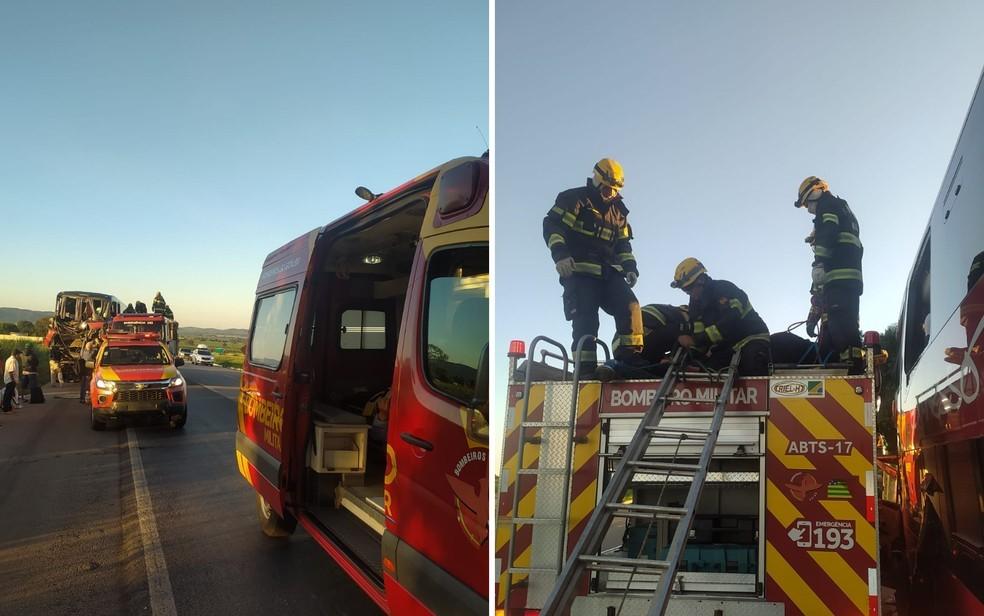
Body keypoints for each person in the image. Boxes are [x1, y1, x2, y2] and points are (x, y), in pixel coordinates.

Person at [543, 158, 644, 377]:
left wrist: (630, 267)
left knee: (631, 306)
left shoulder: (620, 213)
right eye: (607, 189)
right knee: (586, 319)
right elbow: (553, 226)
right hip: (579, 273)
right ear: (597, 181)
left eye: (615, 190)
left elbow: (623, 244)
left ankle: (631, 362)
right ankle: (586, 371)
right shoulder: (574, 199)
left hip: (608, 273)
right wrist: (560, 256)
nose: (611, 193)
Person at [795, 176, 864, 373]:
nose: (808, 208)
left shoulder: (828, 205)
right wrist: (812, 317)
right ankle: (843, 367)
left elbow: (828, 233)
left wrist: (819, 262)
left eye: (807, 202)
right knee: (836, 332)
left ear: (815, 191)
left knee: (842, 332)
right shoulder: (843, 210)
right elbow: (818, 295)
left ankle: (851, 371)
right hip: (845, 283)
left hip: (839, 279)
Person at [671, 258, 771, 375]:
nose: (688, 293)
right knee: (707, 371)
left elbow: (731, 321)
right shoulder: (694, 305)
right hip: (727, 346)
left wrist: (697, 340)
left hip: (752, 337)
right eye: (684, 290)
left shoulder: (725, 289)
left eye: (689, 288)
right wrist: (689, 355)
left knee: (751, 365)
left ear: (701, 280)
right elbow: (699, 334)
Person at [597, 304, 689, 380]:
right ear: (685, 311)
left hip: (623, 348)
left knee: (642, 368)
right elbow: (683, 340)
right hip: (631, 347)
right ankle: (614, 367)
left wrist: (664, 359)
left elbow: (656, 342)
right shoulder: (677, 317)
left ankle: (612, 368)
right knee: (652, 369)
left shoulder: (661, 312)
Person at [79, 338, 98, 404]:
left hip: (83, 371)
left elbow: (83, 349)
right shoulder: (93, 353)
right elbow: (96, 349)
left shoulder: (82, 352)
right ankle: (88, 399)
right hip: (89, 371)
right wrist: (95, 342)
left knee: (83, 385)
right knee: (88, 386)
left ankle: (82, 398)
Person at [3, 348, 22, 413]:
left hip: (10, 380)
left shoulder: (10, 359)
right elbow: (11, 371)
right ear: (16, 354)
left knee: (9, 395)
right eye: (19, 354)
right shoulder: (12, 360)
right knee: (8, 395)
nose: (19, 356)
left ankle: (9, 408)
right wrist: (13, 380)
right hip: (10, 380)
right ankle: (6, 409)